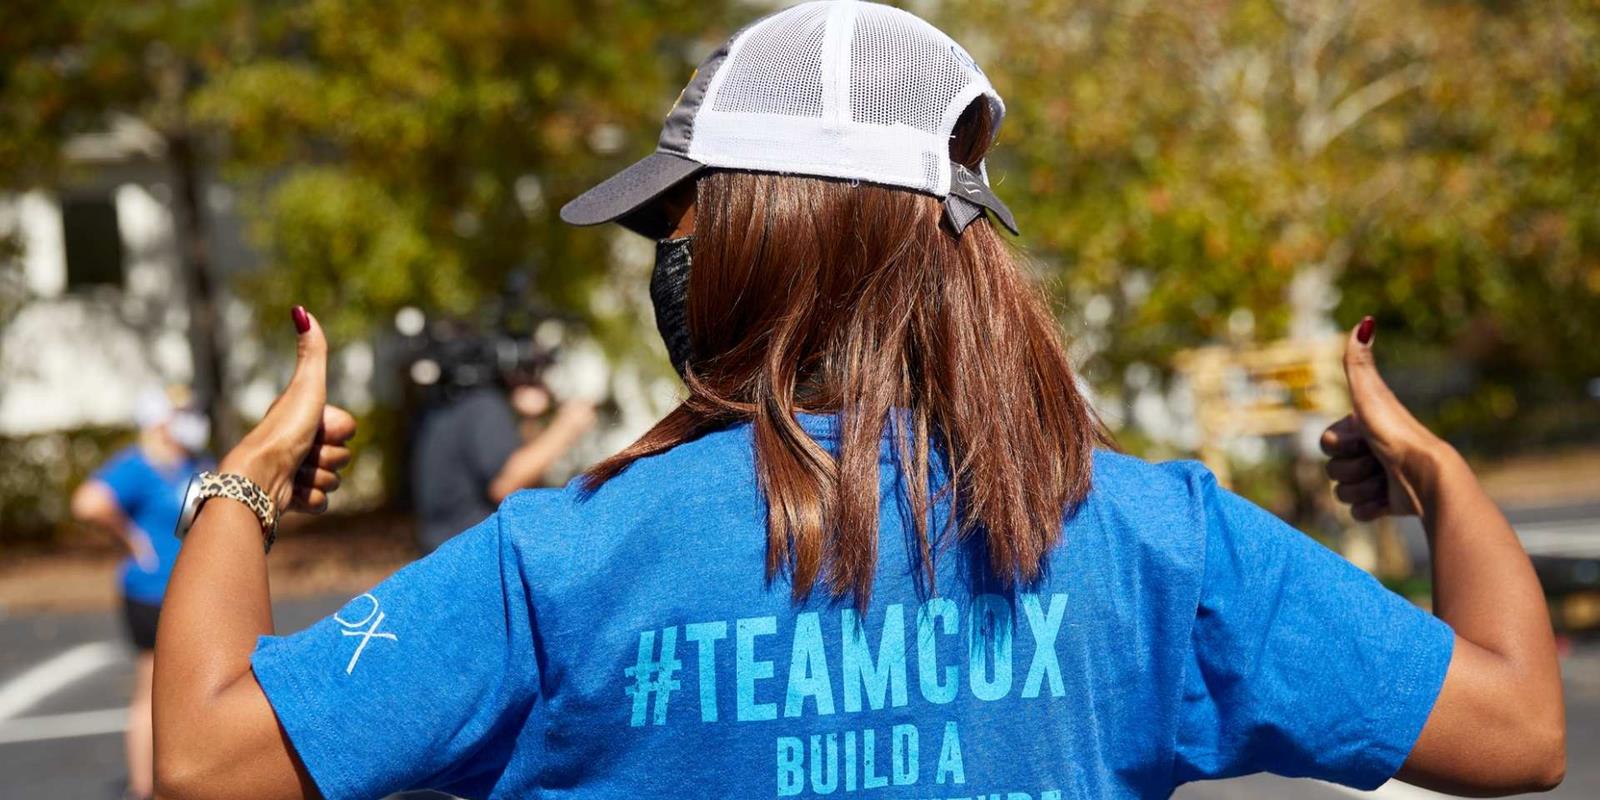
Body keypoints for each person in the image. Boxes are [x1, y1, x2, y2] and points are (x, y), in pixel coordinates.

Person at [149, 3, 1564, 799]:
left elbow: (206, 764)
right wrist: (1437, 475)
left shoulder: (565, 557)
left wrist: (243, 490)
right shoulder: (1153, 534)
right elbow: (1514, 734)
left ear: (769, 235)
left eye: (681, 226)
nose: (671, 265)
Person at [69, 386, 212, 800]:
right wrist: (130, 537)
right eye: (181, 412)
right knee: (151, 689)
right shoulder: (138, 466)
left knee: (199, 688)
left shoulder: (197, 463)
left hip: (194, 592)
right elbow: (88, 502)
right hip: (150, 593)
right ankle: (143, 787)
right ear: (161, 420)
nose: (191, 419)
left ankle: (194, 777)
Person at [411, 373, 596, 554]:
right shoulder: (484, 405)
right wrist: (567, 426)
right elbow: (506, 483)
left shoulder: (443, 404)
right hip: (475, 556)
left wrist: (528, 418)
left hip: (441, 551)